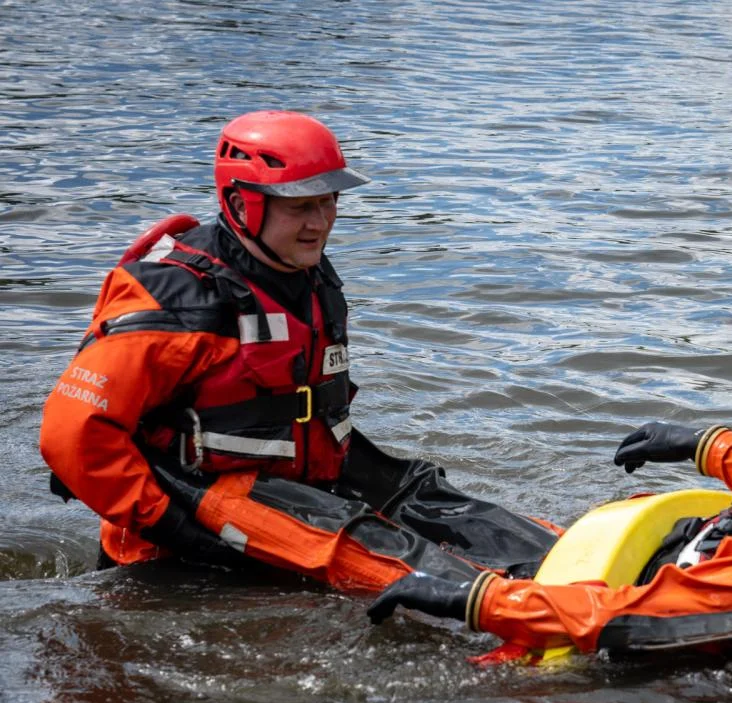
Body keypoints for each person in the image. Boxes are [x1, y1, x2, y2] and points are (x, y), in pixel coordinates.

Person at [39, 110, 559, 592]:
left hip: (300, 500)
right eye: (300, 206)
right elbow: (72, 435)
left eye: (328, 201)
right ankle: (511, 606)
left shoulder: (305, 273)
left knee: (439, 508)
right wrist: (173, 527)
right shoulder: (180, 299)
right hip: (185, 535)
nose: (320, 222)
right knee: (409, 577)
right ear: (243, 204)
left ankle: (566, 570)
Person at [366, 395, 732, 656]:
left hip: (619, 601)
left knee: (398, 557)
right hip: (646, 566)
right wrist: (700, 444)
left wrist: (477, 601)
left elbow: (616, 614)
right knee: (459, 514)